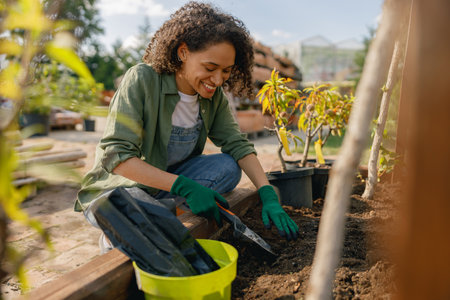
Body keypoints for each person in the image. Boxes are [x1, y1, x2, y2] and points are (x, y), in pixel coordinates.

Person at [75, 1, 299, 244]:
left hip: (164, 186)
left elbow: (238, 145)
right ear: (183, 53)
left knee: (228, 166)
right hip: (120, 188)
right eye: (210, 67)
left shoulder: (213, 98)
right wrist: (185, 187)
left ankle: (157, 213)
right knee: (130, 211)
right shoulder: (142, 79)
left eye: (226, 71)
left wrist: (267, 194)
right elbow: (117, 157)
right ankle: (124, 229)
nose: (217, 79)